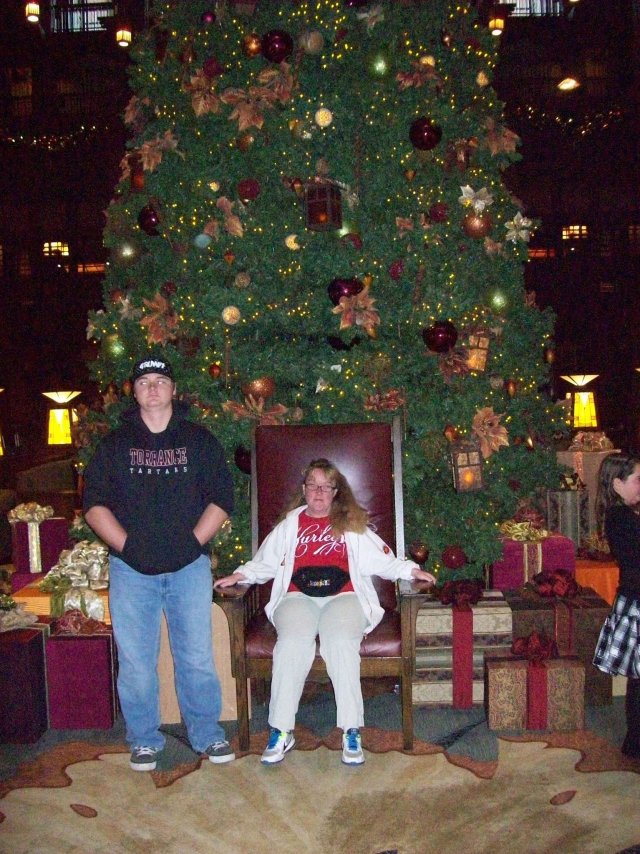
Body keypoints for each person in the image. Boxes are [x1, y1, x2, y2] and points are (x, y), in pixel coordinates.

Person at [214, 457, 435, 766]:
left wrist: (411, 571)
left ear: (335, 492)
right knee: (291, 642)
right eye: (312, 486)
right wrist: (242, 575)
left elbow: (383, 560)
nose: (318, 492)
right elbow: (265, 561)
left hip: (343, 597)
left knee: (341, 641)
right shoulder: (290, 524)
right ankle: (280, 729)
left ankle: (351, 728)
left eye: (325, 487)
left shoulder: (351, 524)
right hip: (297, 596)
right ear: (304, 490)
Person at [83, 355, 235, 771]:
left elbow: (222, 498)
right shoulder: (115, 445)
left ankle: (207, 734)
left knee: (197, 658)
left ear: (172, 389)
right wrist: (127, 547)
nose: (152, 387)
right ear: (134, 391)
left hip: (188, 568)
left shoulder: (199, 440)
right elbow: (93, 505)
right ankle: (144, 739)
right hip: (131, 572)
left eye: (160, 380)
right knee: (135, 663)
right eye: (144, 381)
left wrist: (192, 544)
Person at [592, 453, 640, 759]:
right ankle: (635, 741)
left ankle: (634, 741)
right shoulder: (621, 518)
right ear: (617, 484)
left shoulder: (625, 515)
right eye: (637, 479)